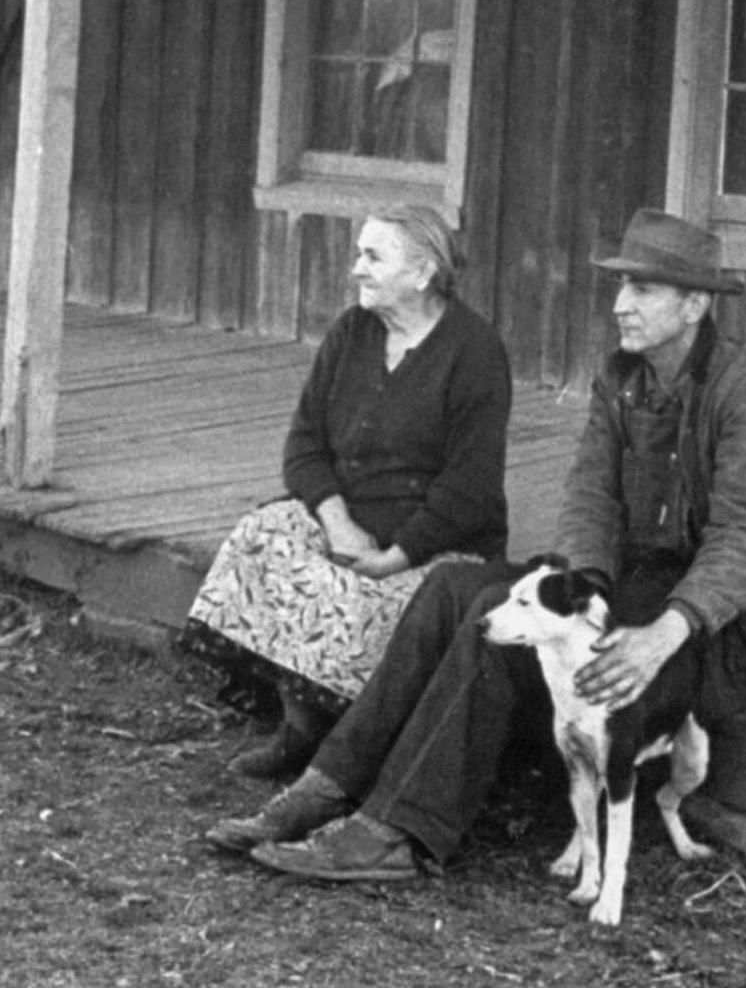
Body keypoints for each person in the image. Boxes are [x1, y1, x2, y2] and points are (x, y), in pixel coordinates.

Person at [204, 208, 746, 879]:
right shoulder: (623, 378)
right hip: (624, 594)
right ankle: (326, 784)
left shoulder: (745, 389)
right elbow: (589, 499)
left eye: (641, 291)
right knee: (448, 589)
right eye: (620, 287)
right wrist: (586, 592)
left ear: (694, 305)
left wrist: (665, 632)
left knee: (494, 624)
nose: (618, 306)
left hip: (707, 631)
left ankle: (396, 831)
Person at [179, 204, 512, 782]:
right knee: (265, 536)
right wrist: (336, 522)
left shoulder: (474, 353)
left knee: (365, 597)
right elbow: (304, 445)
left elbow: (470, 490)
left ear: (423, 272)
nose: (356, 269)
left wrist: (393, 556)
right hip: (351, 522)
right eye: (359, 253)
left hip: (433, 544)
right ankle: (300, 728)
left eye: (372, 256)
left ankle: (353, 748)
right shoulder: (352, 332)